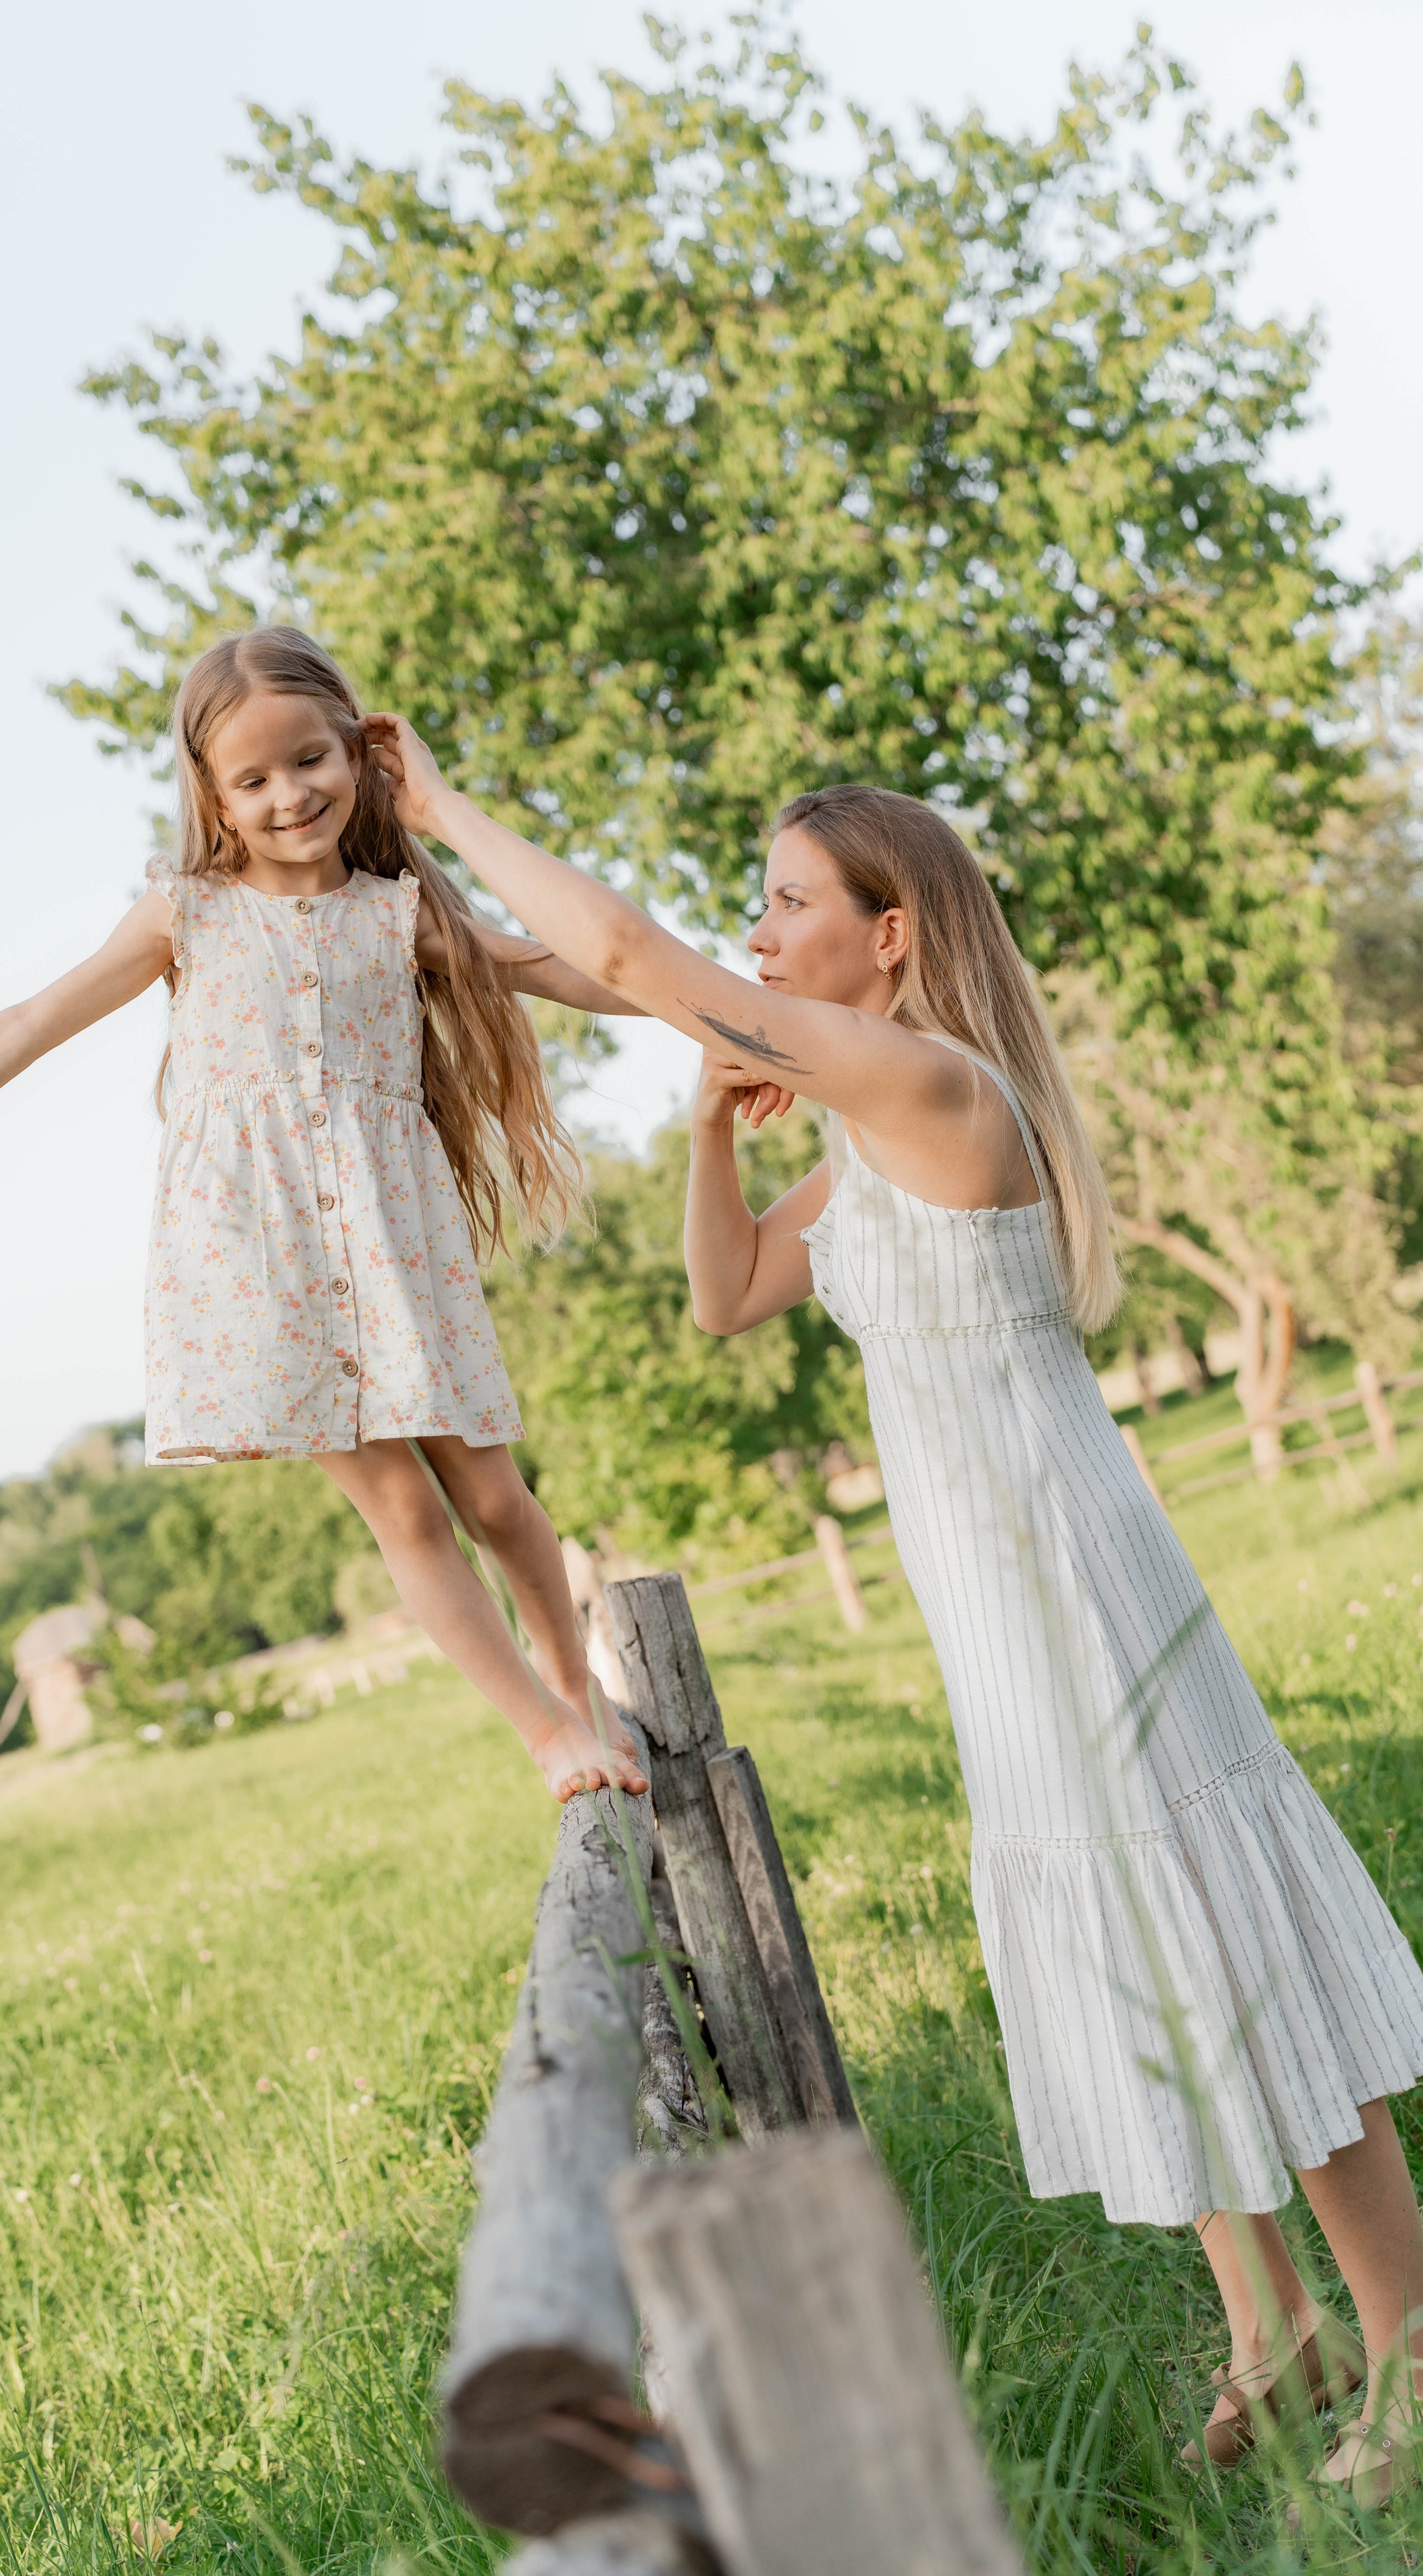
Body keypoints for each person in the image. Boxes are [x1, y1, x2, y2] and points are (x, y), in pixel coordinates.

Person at [364, 713, 1423, 2503]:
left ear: (893, 932)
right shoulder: (858, 1132)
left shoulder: (938, 1096)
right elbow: (723, 1292)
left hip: (1078, 1587)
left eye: (787, 904)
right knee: (1129, 1945)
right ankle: (1269, 2327)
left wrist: (438, 806)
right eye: (754, 914)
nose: (758, 935)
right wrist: (641, 1077)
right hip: (997, 1617)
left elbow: (626, 961)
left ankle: (1402, 2344)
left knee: (1225, 1951)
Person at [0, 628, 646, 1807]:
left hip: (397, 1248)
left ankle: (575, 1689)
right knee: (402, 1507)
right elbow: (28, 1023)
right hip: (262, 1261)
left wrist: (741, 1015)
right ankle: (546, 1735)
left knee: (495, 1497)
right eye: (253, 779)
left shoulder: (401, 918)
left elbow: (578, 969)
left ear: (357, 750)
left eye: (310, 760)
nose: (290, 794)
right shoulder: (182, 914)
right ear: (212, 795)